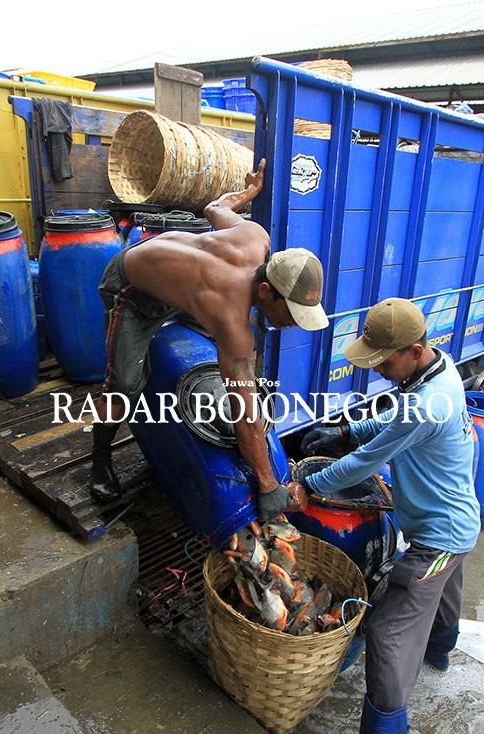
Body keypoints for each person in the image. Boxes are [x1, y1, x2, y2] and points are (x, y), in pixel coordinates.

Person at [290, 297, 480, 734]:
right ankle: (440, 653)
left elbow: (366, 461)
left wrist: (312, 485)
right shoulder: (439, 372)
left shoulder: (426, 403)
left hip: (439, 538)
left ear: (414, 350)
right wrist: (348, 427)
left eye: (384, 360)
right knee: (443, 597)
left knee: (390, 637)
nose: (377, 367)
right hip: (456, 520)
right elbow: (397, 419)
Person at [89, 158, 329, 525]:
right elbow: (246, 419)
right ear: (266, 291)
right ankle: (100, 462)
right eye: (292, 313)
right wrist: (268, 486)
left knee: (230, 369)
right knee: (123, 384)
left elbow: (215, 207)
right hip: (133, 288)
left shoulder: (256, 237)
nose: (294, 323)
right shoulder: (232, 321)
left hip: (183, 291)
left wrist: (248, 193)